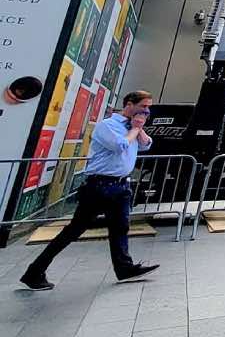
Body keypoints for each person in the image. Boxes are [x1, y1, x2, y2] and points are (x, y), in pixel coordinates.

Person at [21, 90, 161, 289]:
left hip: (121, 186)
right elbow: (119, 146)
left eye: (148, 108)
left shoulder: (133, 127)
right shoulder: (108, 126)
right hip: (100, 186)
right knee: (73, 231)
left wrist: (138, 129)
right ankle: (34, 271)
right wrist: (134, 129)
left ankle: (124, 268)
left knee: (120, 228)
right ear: (129, 104)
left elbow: (146, 145)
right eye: (143, 107)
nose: (146, 111)